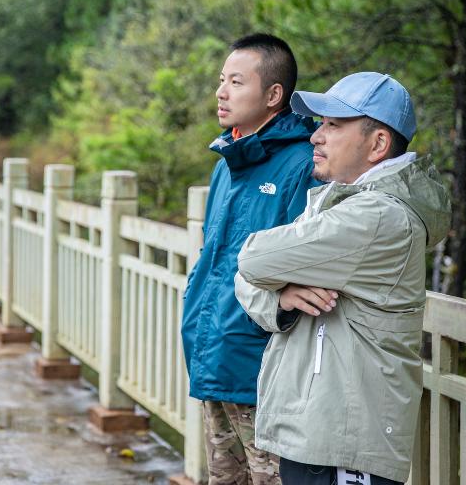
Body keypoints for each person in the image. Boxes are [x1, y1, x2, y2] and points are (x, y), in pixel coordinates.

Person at [234, 72, 451, 485]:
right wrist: (281, 300)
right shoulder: (339, 203)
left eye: (333, 125)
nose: (316, 136)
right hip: (319, 427)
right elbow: (247, 277)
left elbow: (253, 258)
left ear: (378, 144)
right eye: (320, 124)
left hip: (347, 437)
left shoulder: (378, 217)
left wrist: (272, 278)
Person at [180, 33, 321, 484]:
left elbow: (310, 265)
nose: (221, 92)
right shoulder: (227, 163)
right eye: (222, 80)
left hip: (264, 371)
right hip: (214, 353)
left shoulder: (302, 166)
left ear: (274, 94)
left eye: (236, 82)